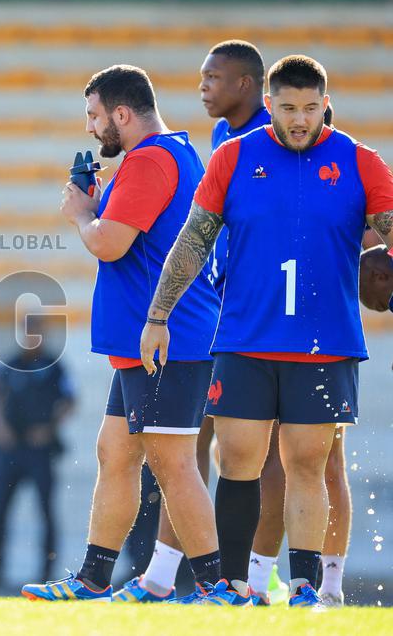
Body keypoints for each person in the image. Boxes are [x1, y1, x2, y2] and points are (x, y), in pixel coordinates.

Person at [140, 54, 393, 608]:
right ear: (270, 106)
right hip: (243, 341)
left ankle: (304, 587)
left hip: (325, 345)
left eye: (309, 108)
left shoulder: (359, 161)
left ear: (325, 104)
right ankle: (229, 586)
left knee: (307, 464)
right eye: (287, 108)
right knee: (238, 464)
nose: (299, 119)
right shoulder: (233, 156)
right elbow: (193, 240)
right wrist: (158, 316)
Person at [21, 65, 227, 604]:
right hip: (150, 342)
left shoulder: (150, 159)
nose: (91, 128)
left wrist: (82, 213)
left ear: (122, 113)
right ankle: (92, 578)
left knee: (172, 464)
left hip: (165, 340)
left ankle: (217, 586)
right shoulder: (172, 153)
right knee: (116, 453)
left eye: (94, 116)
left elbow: (109, 242)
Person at [117, 39, 274, 603]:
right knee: (189, 445)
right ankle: (162, 574)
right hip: (224, 307)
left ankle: (272, 578)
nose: (202, 87)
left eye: (213, 78)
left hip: (265, 313)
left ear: (245, 85)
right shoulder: (221, 139)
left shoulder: (271, 138)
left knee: (274, 455)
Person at [0, 316, 74, 586]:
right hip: (11, 449)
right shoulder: (10, 364)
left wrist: (49, 428)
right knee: (0, 510)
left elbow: (69, 400)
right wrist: (0, 431)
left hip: (40, 449)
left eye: (37, 331)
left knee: (46, 510)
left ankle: (46, 572)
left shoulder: (54, 366)